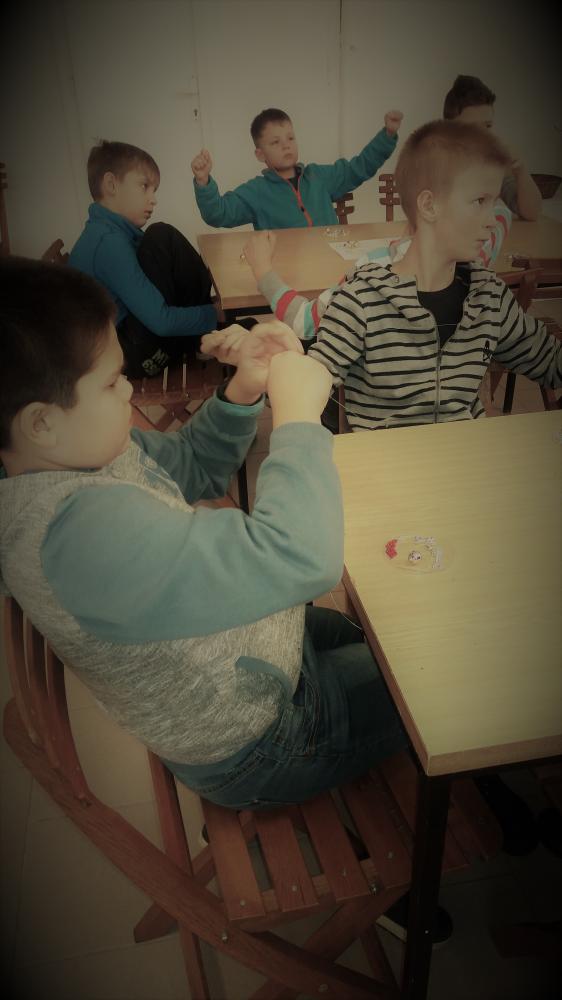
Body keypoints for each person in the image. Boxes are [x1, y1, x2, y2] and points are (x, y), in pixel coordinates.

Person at [302, 119, 561, 432]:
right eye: (480, 201)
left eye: (494, 203)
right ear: (429, 205)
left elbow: (551, 362)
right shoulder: (361, 301)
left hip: (464, 455)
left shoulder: (489, 297)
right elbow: (309, 381)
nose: (492, 220)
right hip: (388, 461)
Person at [241, 198, 512, 342]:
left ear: (424, 206)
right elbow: (502, 215)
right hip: (447, 412)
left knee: (262, 333)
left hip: (362, 414)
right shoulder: (482, 268)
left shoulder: (374, 269)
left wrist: (262, 269)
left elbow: (303, 321)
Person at [69, 140, 231, 379]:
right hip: (131, 358)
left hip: (130, 345)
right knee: (161, 236)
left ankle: (208, 334)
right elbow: (161, 322)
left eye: (154, 190)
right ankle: (209, 333)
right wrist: (214, 314)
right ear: (111, 184)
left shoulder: (110, 232)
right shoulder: (107, 243)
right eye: (144, 187)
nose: (153, 199)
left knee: (161, 239)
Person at [191, 106, 403, 230]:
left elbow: (359, 168)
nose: (286, 145)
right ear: (260, 155)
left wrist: (388, 135)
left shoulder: (318, 176)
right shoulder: (256, 192)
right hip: (287, 277)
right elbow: (219, 214)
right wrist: (203, 181)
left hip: (331, 267)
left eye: (290, 138)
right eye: (275, 142)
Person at [443, 74, 542, 221]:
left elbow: (532, 213)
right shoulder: (435, 161)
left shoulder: (493, 165)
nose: (483, 135)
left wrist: (520, 170)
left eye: (488, 126)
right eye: (472, 128)